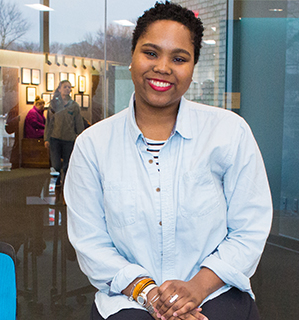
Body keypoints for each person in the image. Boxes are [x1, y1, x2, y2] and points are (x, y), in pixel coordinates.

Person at [65, 2, 271, 320]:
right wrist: (151, 294)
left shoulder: (229, 133)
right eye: (151, 53)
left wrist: (196, 288)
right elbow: (91, 242)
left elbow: (249, 227)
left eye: (178, 58)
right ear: (132, 58)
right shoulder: (93, 146)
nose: (163, 67)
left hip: (213, 290)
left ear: (193, 66)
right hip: (130, 297)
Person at [45, 80, 85, 184]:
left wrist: (81, 138)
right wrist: (46, 138)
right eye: (65, 87)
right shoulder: (53, 104)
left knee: (67, 165)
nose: (67, 89)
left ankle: (67, 185)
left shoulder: (74, 105)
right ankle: (56, 184)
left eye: (69, 87)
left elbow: (78, 123)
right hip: (55, 138)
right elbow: (49, 123)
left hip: (69, 139)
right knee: (56, 165)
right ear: (59, 89)